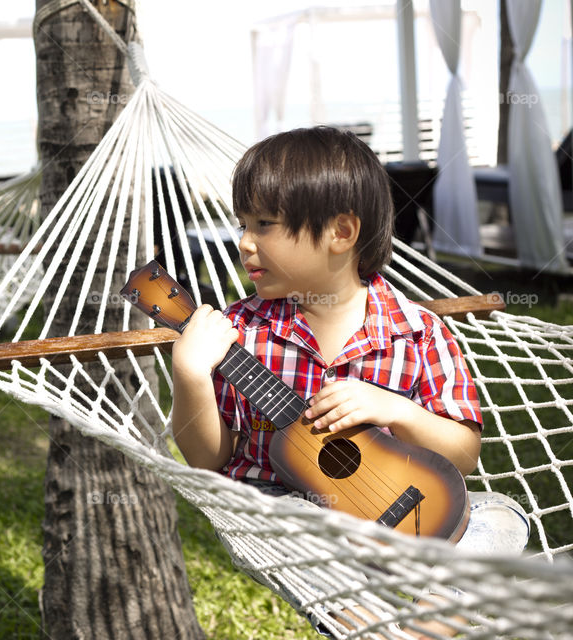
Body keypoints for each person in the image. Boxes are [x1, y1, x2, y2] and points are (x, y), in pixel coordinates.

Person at [168, 126, 529, 637]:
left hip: (402, 512)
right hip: (291, 517)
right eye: (242, 224)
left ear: (341, 232)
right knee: (289, 531)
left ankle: (428, 624)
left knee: (501, 515)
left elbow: (465, 453)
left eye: (264, 224)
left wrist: (397, 410)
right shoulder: (238, 335)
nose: (244, 242)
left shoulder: (418, 333)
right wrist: (190, 375)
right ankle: (373, 630)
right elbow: (210, 458)